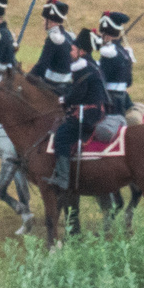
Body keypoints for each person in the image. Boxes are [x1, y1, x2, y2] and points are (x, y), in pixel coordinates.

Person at [51, 30, 110, 191]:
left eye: (73, 49)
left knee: (61, 136)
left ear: (82, 51)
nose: (70, 52)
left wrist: (64, 100)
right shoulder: (91, 65)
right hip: (96, 111)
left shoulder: (82, 67)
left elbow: (78, 94)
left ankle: (63, 178)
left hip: (88, 114)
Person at [95, 12, 135, 118]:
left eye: (102, 34)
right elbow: (129, 81)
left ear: (106, 35)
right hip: (123, 96)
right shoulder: (124, 51)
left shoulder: (108, 53)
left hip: (110, 98)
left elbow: (102, 79)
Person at [33, 0, 75, 95]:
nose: (43, 22)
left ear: (51, 21)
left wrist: (28, 76)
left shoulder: (53, 39)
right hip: (67, 83)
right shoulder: (68, 35)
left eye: (45, 19)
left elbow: (42, 64)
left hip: (53, 85)